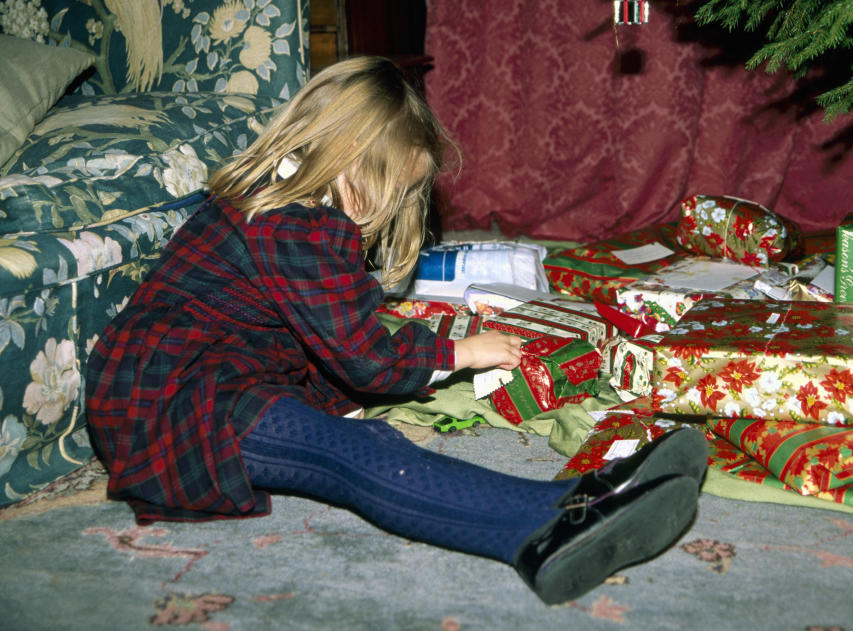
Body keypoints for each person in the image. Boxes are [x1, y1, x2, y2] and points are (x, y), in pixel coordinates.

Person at [85, 56, 708, 605]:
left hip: (201, 369)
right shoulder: (292, 224)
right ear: (352, 163)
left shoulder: (281, 196)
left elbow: (315, 329)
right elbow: (363, 360)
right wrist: (459, 351)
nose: (395, 207)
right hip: (172, 398)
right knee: (361, 455)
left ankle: (579, 497)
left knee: (347, 432)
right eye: (397, 189)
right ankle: (542, 530)